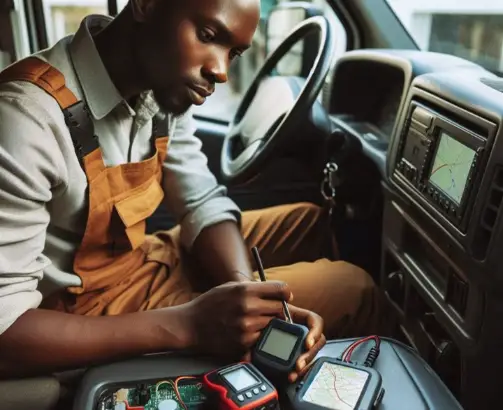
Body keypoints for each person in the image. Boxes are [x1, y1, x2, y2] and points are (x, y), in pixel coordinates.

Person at [0, 0, 382, 382]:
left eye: (233, 53)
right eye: (208, 36)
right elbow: (5, 333)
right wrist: (190, 325)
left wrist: (244, 290)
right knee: (353, 287)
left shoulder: (161, 84)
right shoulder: (26, 119)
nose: (220, 71)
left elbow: (199, 199)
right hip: (83, 314)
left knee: (309, 220)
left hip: (141, 259)